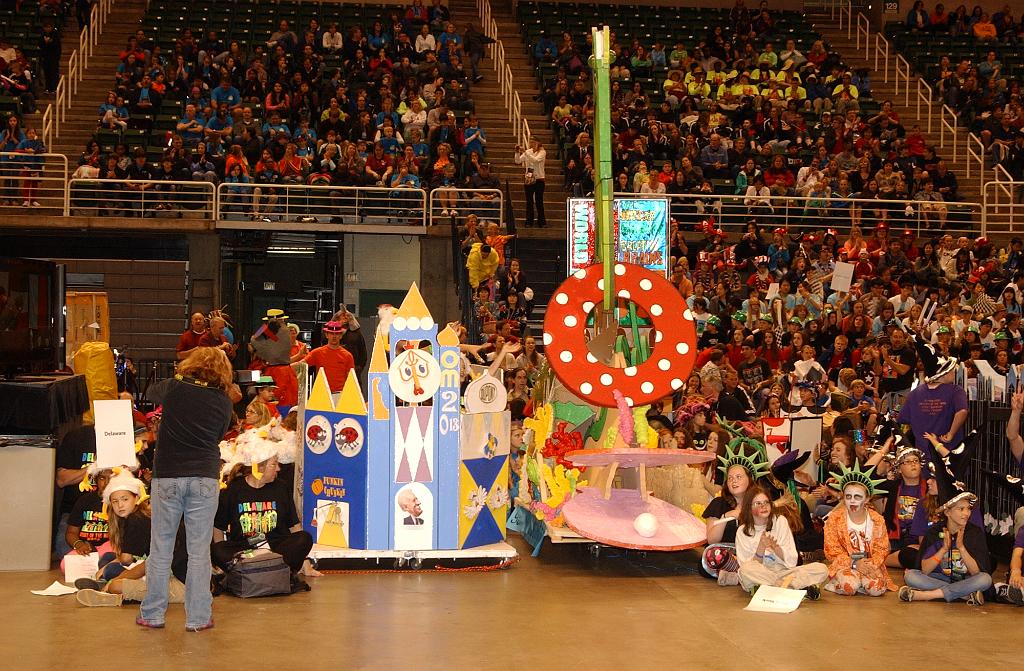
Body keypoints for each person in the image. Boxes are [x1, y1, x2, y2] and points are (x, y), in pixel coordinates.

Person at [139, 348, 234, 631]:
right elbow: (218, 436)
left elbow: (150, 391)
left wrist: (178, 376)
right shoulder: (223, 401)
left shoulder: (174, 387)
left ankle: (153, 614)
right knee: (199, 551)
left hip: (167, 475)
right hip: (204, 477)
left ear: (191, 365)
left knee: (161, 549)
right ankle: (198, 617)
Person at [212, 430, 311, 582]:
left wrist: (305, 562)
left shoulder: (281, 488)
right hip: (245, 551)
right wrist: (219, 558)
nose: (278, 468)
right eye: (274, 464)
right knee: (218, 550)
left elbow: (295, 527)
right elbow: (219, 527)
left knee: (304, 539)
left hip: (276, 549)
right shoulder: (234, 490)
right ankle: (271, 571)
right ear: (259, 467)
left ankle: (256, 572)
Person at [899, 458, 991, 605]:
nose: (966, 513)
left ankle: (929, 595)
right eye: (961, 509)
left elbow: (976, 572)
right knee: (911, 576)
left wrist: (961, 547)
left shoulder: (975, 533)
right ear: (947, 512)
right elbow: (925, 570)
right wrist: (943, 549)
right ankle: (963, 595)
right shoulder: (934, 532)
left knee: (985, 579)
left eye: (968, 509)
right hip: (939, 577)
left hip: (965, 578)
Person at [735, 485, 828, 597]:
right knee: (746, 571)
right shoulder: (742, 531)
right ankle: (789, 587)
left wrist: (776, 548)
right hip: (761, 574)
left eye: (766, 502)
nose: (763, 506)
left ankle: (774, 588)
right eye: (758, 503)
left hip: (783, 573)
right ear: (748, 508)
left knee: (821, 569)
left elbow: (792, 561)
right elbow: (746, 565)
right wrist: (760, 549)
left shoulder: (780, 521)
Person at [702, 440, 770, 584]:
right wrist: (727, 516)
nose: (733, 481)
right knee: (713, 556)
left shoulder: (761, 503)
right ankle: (745, 575)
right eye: (730, 478)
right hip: (729, 556)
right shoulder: (718, 504)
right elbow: (712, 540)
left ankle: (738, 577)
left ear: (750, 479)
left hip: (755, 555)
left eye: (739, 477)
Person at [823, 462, 893, 596]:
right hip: (845, 564)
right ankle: (839, 582)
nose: (852, 501)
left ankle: (862, 583)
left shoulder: (877, 520)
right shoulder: (834, 519)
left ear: (867, 499)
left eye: (858, 497)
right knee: (850, 586)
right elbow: (832, 550)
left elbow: (882, 549)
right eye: (848, 496)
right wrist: (855, 563)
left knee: (876, 589)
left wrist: (870, 565)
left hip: (870, 564)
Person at [251, 308, 299, 407]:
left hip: (277, 371)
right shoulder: (283, 331)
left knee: (276, 400)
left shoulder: (277, 331)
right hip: (281, 371)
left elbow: (253, 339)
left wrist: (264, 328)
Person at [295, 321, 356, 393]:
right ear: (327, 335)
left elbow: (351, 378)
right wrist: (283, 368)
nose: (334, 336)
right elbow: (300, 365)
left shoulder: (347, 356)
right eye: (331, 333)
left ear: (341, 336)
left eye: (336, 334)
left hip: (340, 394)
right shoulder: (317, 353)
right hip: (322, 393)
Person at [514, 137, 547, 228]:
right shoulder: (528, 152)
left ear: (538, 143)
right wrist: (517, 152)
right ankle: (529, 221)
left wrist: (524, 152)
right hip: (529, 178)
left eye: (533, 142)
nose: (531, 144)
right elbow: (518, 161)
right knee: (529, 201)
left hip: (539, 179)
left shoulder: (542, 152)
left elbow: (535, 160)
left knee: (539, 201)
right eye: (530, 142)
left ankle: (542, 221)